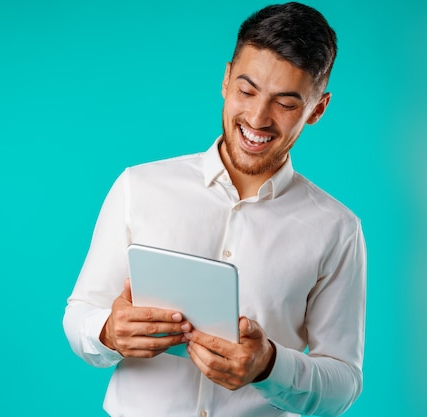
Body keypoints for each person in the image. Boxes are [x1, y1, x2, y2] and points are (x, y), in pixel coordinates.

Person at [63, 2, 366, 416]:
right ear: (225, 80)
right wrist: (108, 332)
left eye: (286, 103)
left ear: (317, 109)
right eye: (247, 90)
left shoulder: (338, 229)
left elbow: (344, 383)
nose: (258, 118)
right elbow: (80, 313)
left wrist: (269, 366)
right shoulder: (139, 186)